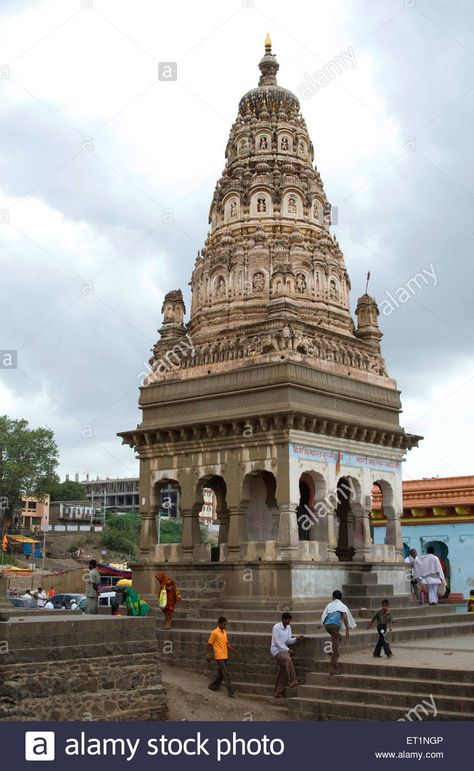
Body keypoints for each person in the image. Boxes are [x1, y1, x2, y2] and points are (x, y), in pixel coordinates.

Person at [321, 590, 357, 675]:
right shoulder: (342, 606)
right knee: (336, 652)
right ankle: (334, 669)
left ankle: (331, 648)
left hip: (328, 626)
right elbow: (344, 617)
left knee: (338, 637)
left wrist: (321, 624)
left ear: (333, 597)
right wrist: (347, 630)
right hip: (334, 626)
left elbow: (324, 615)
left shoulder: (329, 605)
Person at [270, 612, 304, 698]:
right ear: (282, 619)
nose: (288, 622)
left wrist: (296, 638)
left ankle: (277, 692)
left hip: (284, 650)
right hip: (276, 650)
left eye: (289, 620)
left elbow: (288, 640)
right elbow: (277, 643)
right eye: (287, 620)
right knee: (288, 660)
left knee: (283, 672)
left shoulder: (288, 627)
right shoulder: (276, 627)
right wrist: (288, 650)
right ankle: (293, 680)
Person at [207, 616, 237, 698]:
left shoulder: (224, 632)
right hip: (219, 656)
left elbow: (227, 644)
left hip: (225, 655)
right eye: (224, 624)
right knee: (225, 673)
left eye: (225, 625)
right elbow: (209, 644)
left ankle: (212, 686)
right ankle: (230, 692)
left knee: (221, 674)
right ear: (219, 624)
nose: (225, 626)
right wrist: (208, 655)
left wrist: (233, 650)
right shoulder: (214, 633)